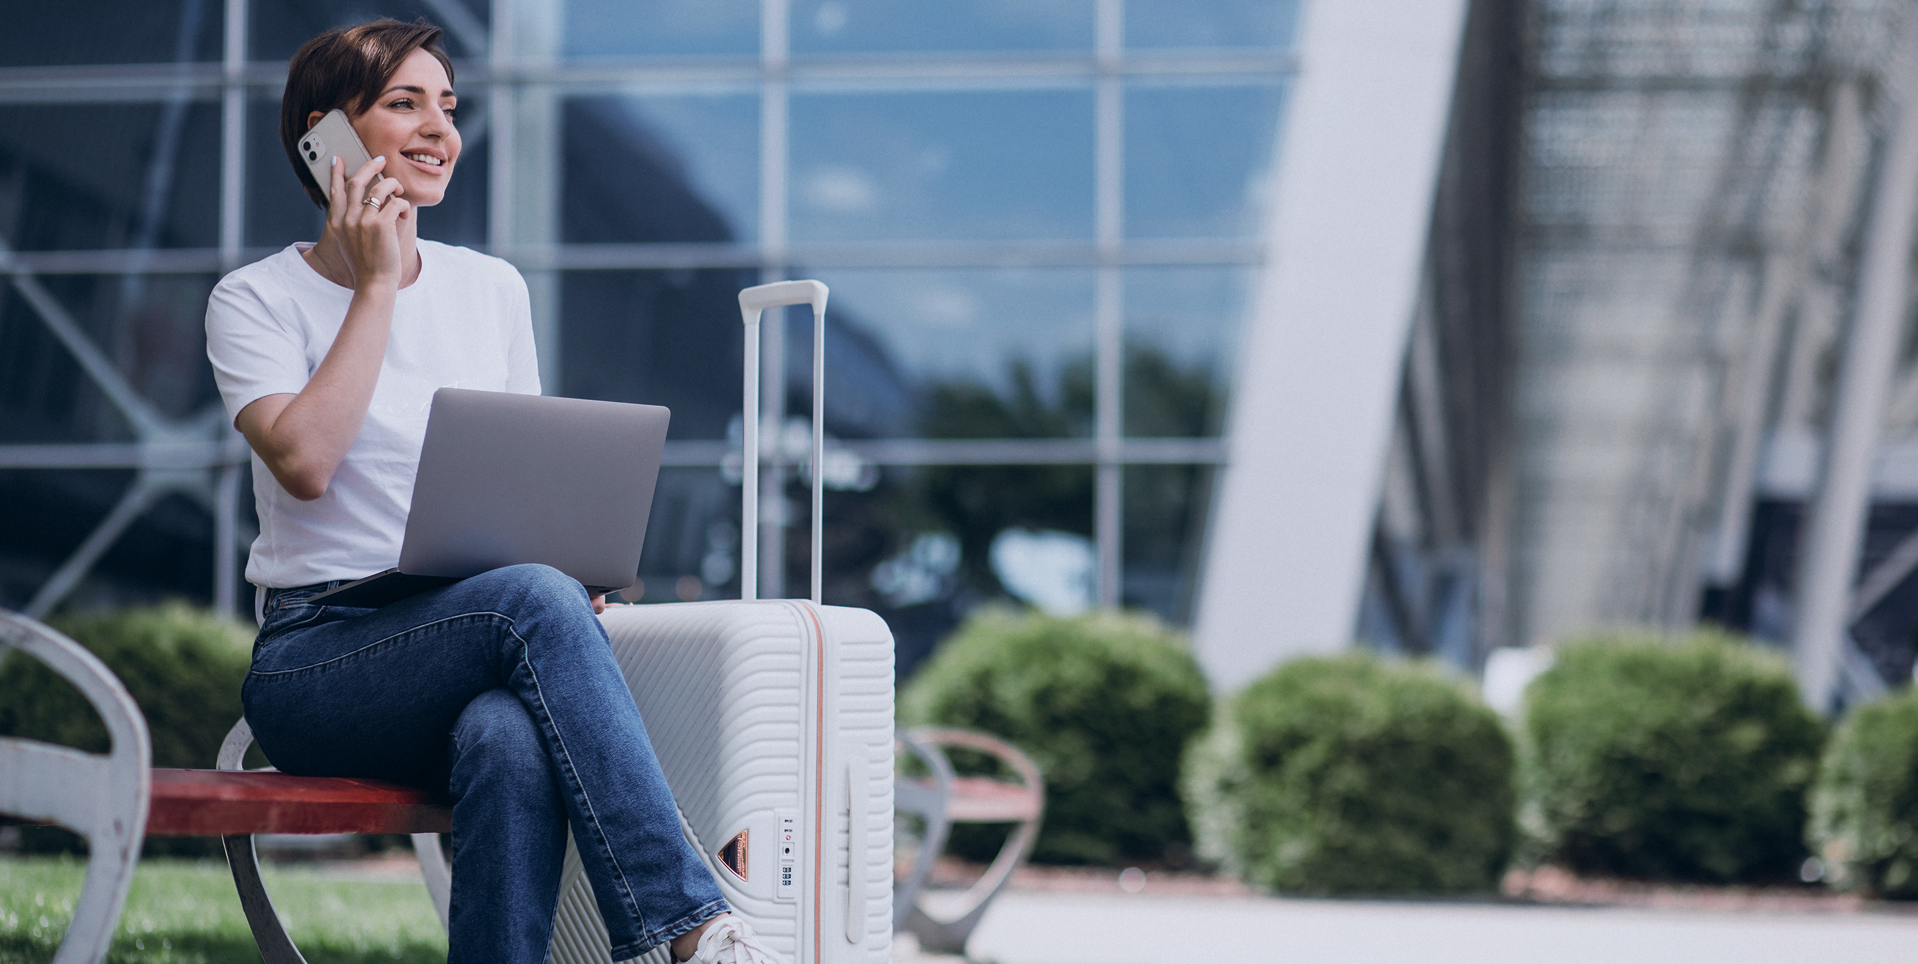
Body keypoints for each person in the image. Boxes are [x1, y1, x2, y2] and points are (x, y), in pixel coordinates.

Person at [204, 19, 781, 964]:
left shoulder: (492, 289)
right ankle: (691, 928)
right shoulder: (254, 299)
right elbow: (304, 463)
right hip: (319, 658)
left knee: (509, 734)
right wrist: (376, 288)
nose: (441, 129)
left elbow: (526, 484)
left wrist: (570, 565)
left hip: (475, 633)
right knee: (535, 599)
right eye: (405, 104)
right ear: (326, 136)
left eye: (449, 106)